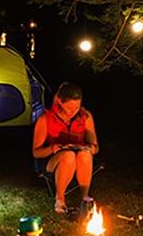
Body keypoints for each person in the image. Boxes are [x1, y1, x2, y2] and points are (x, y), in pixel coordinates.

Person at [32, 82, 99, 213]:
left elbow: (96, 147)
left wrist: (91, 148)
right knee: (68, 155)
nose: (73, 112)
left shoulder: (85, 117)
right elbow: (36, 152)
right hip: (52, 161)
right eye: (69, 108)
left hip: (79, 158)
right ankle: (60, 199)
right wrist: (53, 148)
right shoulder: (45, 119)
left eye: (77, 107)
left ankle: (84, 198)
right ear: (61, 102)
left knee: (85, 154)